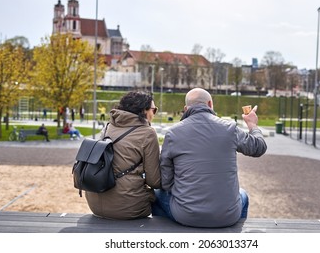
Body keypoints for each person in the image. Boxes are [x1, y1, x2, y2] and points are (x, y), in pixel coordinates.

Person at [152, 88, 267, 228]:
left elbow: (166, 182)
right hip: (228, 216)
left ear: (185, 108)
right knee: (243, 195)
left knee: (156, 195)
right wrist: (252, 125)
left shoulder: (173, 133)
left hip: (186, 215)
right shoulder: (230, 128)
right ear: (210, 104)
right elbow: (258, 148)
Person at [85, 91, 161, 220]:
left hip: (95, 204)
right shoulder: (147, 133)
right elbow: (154, 181)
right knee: (164, 196)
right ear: (144, 110)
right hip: (128, 207)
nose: (154, 114)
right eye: (154, 110)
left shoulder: (108, 127)